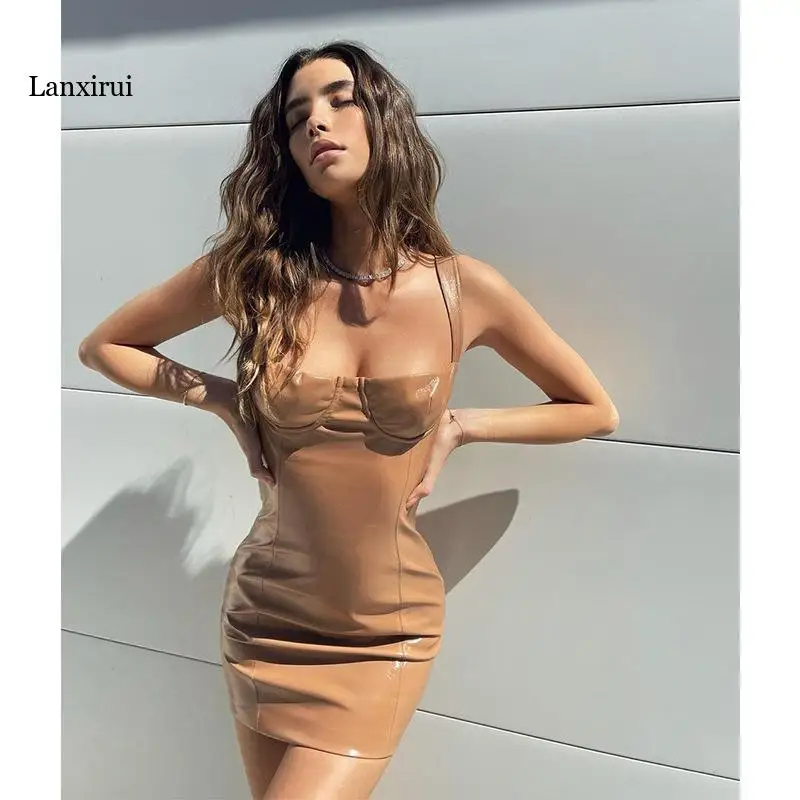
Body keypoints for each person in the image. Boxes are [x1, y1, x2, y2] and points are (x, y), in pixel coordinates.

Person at [78, 40, 619, 800]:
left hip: (383, 631)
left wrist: (461, 426)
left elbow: (593, 408)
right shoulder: (259, 275)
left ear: (383, 119)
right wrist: (226, 399)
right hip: (266, 614)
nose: (317, 124)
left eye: (340, 100)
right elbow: (105, 347)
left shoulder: (464, 290)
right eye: (296, 116)